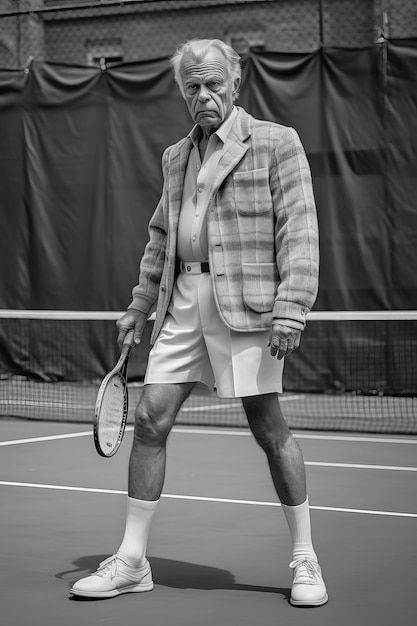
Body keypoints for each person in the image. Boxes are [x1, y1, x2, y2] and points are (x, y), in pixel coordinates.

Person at [71, 38, 327, 607]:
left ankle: (305, 558)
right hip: (182, 300)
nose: (204, 95)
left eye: (214, 83)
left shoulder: (276, 143)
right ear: (183, 91)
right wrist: (140, 305)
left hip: (248, 305)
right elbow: (161, 237)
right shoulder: (175, 157)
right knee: (151, 419)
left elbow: (300, 231)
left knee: (269, 428)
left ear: (236, 83)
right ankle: (133, 560)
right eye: (193, 86)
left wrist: (292, 308)